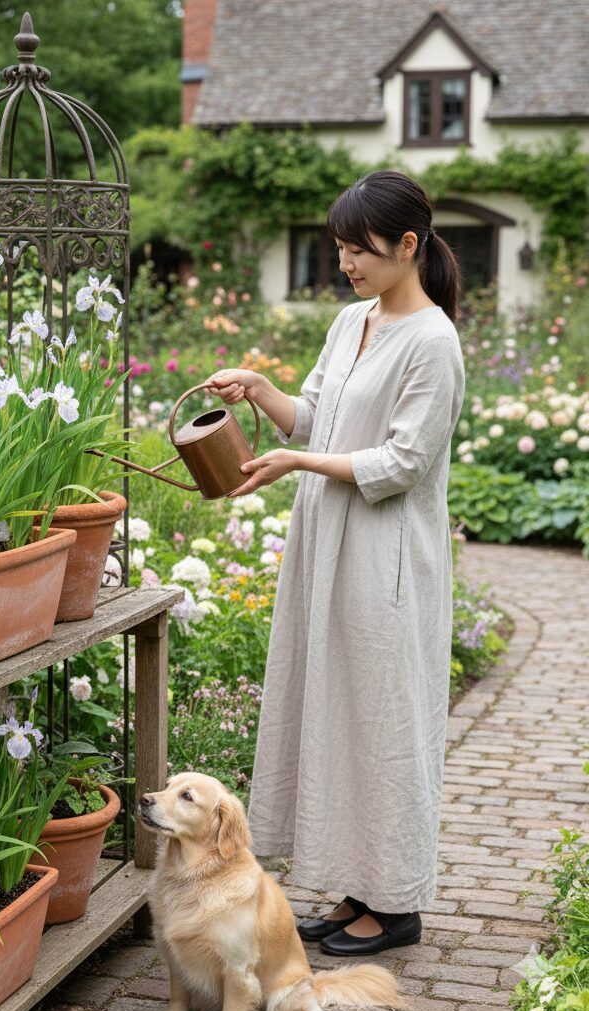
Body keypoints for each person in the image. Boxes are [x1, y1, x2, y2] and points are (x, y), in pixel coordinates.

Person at [204, 170, 465, 956]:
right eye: (342, 247)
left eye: (362, 248)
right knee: (338, 716)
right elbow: (316, 416)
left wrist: (297, 462)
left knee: (384, 719)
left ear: (409, 246)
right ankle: (358, 890)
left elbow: (403, 463)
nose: (347, 262)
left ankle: (396, 906)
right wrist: (261, 390)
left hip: (385, 559)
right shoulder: (352, 321)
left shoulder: (434, 341)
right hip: (330, 546)